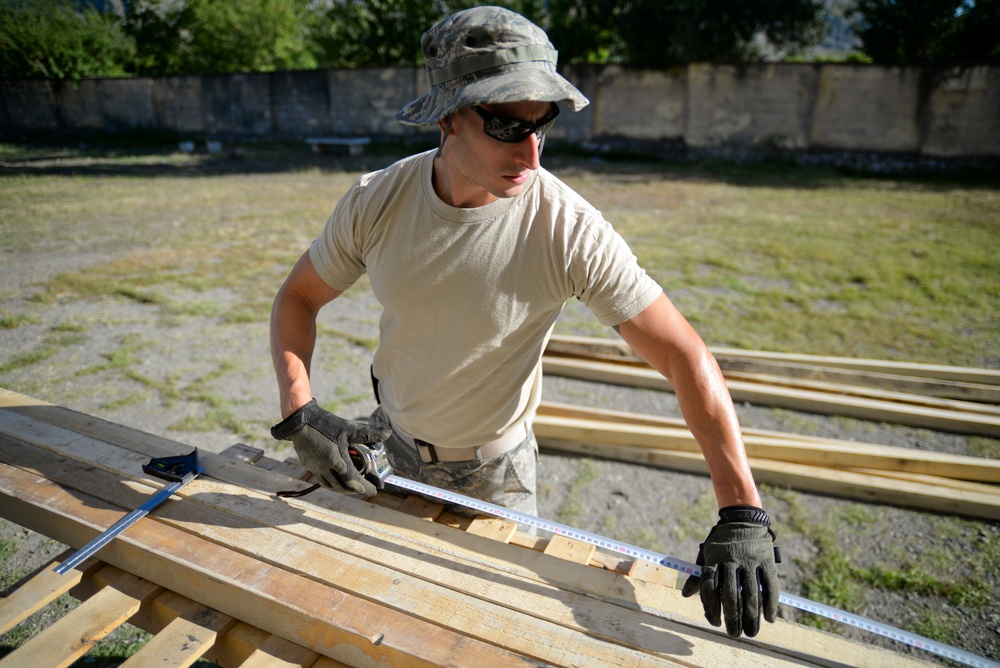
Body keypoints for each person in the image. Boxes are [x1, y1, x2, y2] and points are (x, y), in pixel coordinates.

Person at [269, 6, 779, 639]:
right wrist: (301, 412)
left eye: (544, 126)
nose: (532, 155)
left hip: (497, 476)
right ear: (449, 115)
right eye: (508, 126)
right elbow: (297, 298)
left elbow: (684, 355)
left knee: (488, 640)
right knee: (358, 621)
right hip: (388, 446)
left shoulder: (566, 229)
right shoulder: (378, 201)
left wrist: (742, 510)